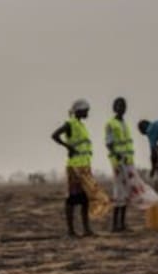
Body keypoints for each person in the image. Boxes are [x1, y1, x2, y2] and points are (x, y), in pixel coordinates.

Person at [51, 99, 110, 237]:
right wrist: (68, 146)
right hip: (75, 167)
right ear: (79, 110)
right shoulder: (70, 124)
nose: (87, 113)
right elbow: (54, 135)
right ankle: (71, 230)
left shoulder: (81, 125)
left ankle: (86, 229)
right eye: (86, 110)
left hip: (84, 165)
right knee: (72, 198)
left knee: (85, 198)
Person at [105, 97, 141, 232]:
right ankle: (115, 225)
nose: (122, 108)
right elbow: (109, 144)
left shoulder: (124, 124)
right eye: (119, 105)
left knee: (126, 193)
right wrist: (118, 156)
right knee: (118, 192)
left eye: (124, 105)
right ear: (114, 108)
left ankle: (122, 224)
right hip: (118, 163)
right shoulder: (111, 124)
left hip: (128, 163)